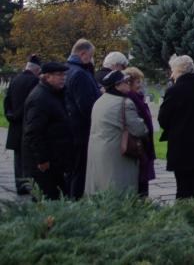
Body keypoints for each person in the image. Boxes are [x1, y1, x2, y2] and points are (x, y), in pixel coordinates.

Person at [158, 55, 194, 204]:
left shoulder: (174, 91)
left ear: (178, 71)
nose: (171, 75)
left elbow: (163, 119)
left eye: (172, 71)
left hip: (182, 148)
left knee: (184, 189)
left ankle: (187, 220)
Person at [85, 71, 147, 195]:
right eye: (125, 82)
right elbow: (139, 129)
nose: (129, 84)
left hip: (98, 152)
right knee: (120, 191)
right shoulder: (125, 103)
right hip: (118, 154)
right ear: (117, 86)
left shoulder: (99, 101)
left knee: (102, 190)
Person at [22, 62, 73, 200]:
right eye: (59, 75)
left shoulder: (54, 94)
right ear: (47, 77)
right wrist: (42, 159)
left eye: (64, 75)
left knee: (58, 197)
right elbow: (33, 132)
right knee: (47, 199)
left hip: (56, 158)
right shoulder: (40, 98)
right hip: (45, 163)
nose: (63, 78)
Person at [65, 38, 102, 199]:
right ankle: (76, 204)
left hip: (70, 128)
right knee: (79, 171)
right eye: (91, 55)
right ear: (83, 54)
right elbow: (87, 106)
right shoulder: (80, 74)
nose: (92, 59)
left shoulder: (67, 69)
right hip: (81, 131)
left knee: (73, 171)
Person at [4, 54, 41, 195]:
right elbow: (31, 103)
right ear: (37, 70)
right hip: (27, 124)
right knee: (29, 157)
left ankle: (19, 184)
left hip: (15, 125)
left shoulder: (15, 79)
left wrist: (10, 116)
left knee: (18, 158)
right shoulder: (34, 82)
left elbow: (7, 102)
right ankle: (28, 185)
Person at [123, 66, 156, 196]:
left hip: (144, 145)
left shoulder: (138, 97)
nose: (140, 85)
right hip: (137, 145)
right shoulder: (132, 99)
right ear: (129, 84)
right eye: (137, 82)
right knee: (140, 182)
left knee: (143, 180)